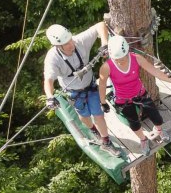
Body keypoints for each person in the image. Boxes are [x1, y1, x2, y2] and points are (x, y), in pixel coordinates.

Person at [43, 22, 121, 157]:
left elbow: (100, 25)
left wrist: (104, 43)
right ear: (57, 46)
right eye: (66, 44)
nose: (71, 44)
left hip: (90, 86)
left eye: (70, 40)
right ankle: (92, 129)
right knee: (84, 116)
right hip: (73, 92)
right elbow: (48, 80)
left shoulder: (78, 41)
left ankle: (106, 142)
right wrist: (50, 96)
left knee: (98, 114)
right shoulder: (52, 59)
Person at [98, 35, 171, 155]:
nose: (120, 60)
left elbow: (154, 71)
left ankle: (160, 130)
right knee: (134, 124)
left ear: (127, 52)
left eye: (123, 57)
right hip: (123, 100)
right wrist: (103, 102)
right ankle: (143, 139)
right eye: (117, 58)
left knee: (156, 117)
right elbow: (102, 85)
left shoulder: (136, 58)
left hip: (140, 94)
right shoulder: (106, 67)